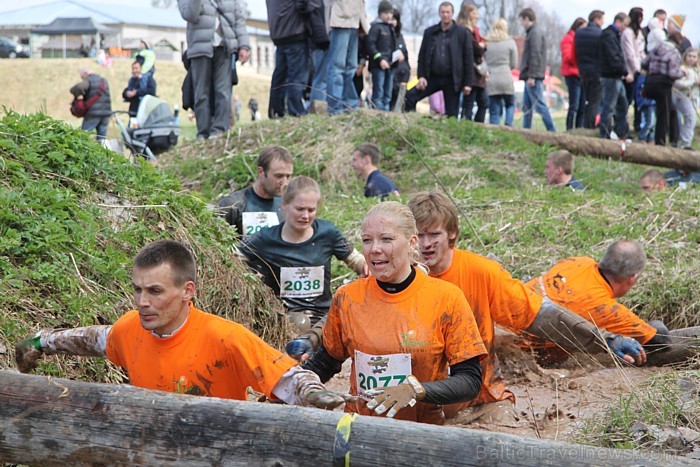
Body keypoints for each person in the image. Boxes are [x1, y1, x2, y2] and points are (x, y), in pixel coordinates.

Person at [14, 239, 351, 409]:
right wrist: (42, 343)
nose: (143, 301)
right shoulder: (130, 329)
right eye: (138, 290)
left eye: (155, 291)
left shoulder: (225, 337)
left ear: (187, 291)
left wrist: (316, 395)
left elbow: (290, 377)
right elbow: (93, 339)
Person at [405, 192, 646, 419]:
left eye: (434, 235)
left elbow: (541, 315)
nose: (426, 244)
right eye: (419, 236)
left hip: (475, 398)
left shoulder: (481, 273)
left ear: (451, 234)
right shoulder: (395, 276)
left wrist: (606, 339)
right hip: (411, 393)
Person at [304, 201, 488, 424]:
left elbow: (470, 381)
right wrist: (299, 388)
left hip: (421, 433)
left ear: (412, 243)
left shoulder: (447, 298)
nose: (374, 249)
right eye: (367, 240)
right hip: (360, 427)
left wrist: (415, 390)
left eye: (386, 239)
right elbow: (325, 362)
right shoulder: (347, 298)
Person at [523, 239, 699, 366]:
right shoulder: (605, 309)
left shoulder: (577, 262)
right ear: (632, 278)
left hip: (506, 317)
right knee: (643, 353)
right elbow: (658, 340)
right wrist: (655, 326)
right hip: (525, 354)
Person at [240, 176, 367, 332]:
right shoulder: (265, 237)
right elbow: (233, 258)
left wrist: (366, 269)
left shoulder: (328, 233)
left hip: (323, 319)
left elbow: (356, 260)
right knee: (300, 323)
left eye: (311, 210)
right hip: (282, 319)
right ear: (284, 205)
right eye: (300, 209)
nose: (306, 216)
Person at [178, 0, 250, 140]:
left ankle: (220, 130)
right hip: (200, 49)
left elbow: (238, 19)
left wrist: (244, 46)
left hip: (225, 48)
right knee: (201, 93)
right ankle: (203, 132)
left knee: (223, 91)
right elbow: (189, 15)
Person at [403, 2, 474, 118]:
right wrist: (421, 76)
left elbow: (468, 59)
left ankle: (449, 134)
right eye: (443, 12)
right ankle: (412, 122)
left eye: (448, 12)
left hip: (452, 80)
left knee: (452, 115)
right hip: (432, 77)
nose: (445, 15)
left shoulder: (462, 33)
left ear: (452, 14)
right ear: (439, 14)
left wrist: (467, 83)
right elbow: (422, 57)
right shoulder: (430, 33)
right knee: (409, 96)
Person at [216, 146, 294, 236]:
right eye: (278, 176)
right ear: (261, 172)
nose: (284, 182)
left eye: (288, 176)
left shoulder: (288, 206)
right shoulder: (233, 205)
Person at [266, 0, 320, 118]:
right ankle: (296, 111)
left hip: (278, 33)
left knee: (280, 75)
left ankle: (276, 110)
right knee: (296, 77)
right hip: (294, 31)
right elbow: (308, 4)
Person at [325, 0, 369, 115]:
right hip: (340, 18)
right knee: (337, 67)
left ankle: (349, 105)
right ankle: (335, 107)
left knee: (350, 68)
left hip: (355, 20)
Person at [642, 31, 685, 146]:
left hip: (650, 83)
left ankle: (673, 139)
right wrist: (683, 73)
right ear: (678, 42)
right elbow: (673, 73)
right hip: (663, 85)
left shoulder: (657, 47)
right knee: (663, 115)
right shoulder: (674, 52)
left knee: (672, 110)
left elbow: (644, 63)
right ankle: (660, 142)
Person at [518, 8, 555, 132]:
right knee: (526, 107)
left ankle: (552, 130)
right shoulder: (533, 32)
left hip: (532, 76)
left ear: (527, 19)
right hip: (530, 75)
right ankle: (526, 131)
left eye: (522, 20)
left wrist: (532, 76)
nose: (522, 24)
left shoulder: (534, 33)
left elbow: (535, 54)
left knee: (540, 105)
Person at [598, 12, 632, 140]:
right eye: (624, 25)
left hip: (616, 76)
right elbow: (613, 58)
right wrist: (625, 72)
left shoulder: (614, 35)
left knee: (623, 104)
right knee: (609, 106)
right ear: (617, 22)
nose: (625, 28)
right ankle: (605, 134)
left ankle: (621, 132)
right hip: (610, 76)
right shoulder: (608, 36)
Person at [458, 2, 488, 123]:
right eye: (474, 13)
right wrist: (482, 47)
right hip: (471, 73)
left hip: (477, 75)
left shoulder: (473, 31)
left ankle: (475, 127)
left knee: (483, 102)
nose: (477, 16)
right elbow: (477, 49)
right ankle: (468, 128)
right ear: (468, 14)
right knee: (469, 104)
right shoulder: (465, 31)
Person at [484, 18, 517, 126]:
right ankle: (508, 126)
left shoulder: (487, 43)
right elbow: (513, 63)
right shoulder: (510, 42)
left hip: (491, 78)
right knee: (510, 104)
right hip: (506, 78)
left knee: (494, 109)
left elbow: (483, 60)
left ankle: (494, 132)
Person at [575, 10, 605, 129]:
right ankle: (591, 125)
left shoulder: (579, 33)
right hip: (596, 71)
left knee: (587, 100)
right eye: (602, 19)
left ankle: (586, 124)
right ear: (596, 19)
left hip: (583, 71)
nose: (603, 22)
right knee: (595, 101)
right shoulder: (600, 34)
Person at [366, 1, 396, 111]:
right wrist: (380, 59)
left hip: (390, 65)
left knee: (387, 94)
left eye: (390, 13)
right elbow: (370, 46)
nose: (389, 16)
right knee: (378, 93)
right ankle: (378, 113)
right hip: (378, 66)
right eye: (386, 13)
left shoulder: (390, 28)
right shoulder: (375, 28)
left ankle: (386, 114)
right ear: (380, 14)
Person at [69, 67, 112, 141]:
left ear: (86, 74)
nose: (83, 79)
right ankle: (101, 151)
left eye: (82, 77)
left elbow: (78, 87)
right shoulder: (104, 81)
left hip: (93, 114)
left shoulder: (89, 80)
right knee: (102, 139)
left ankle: (82, 151)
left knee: (84, 136)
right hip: (106, 113)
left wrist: (77, 94)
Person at [621, 8, 644, 135]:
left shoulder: (638, 33)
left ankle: (637, 124)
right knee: (627, 100)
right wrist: (637, 69)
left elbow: (640, 52)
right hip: (630, 71)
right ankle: (624, 126)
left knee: (638, 99)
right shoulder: (628, 33)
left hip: (638, 69)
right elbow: (630, 53)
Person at [561, 17, 587, 130]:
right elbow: (567, 57)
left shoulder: (579, 39)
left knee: (582, 105)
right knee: (574, 105)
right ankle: (570, 128)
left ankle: (579, 128)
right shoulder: (568, 39)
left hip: (581, 74)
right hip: (572, 75)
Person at [672, 48, 699, 150]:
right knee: (690, 119)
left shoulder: (696, 70)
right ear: (685, 57)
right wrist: (693, 82)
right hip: (683, 96)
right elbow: (677, 83)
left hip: (693, 98)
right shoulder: (682, 69)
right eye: (690, 56)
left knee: (692, 120)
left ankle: (686, 142)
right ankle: (685, 143)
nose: (691, 59)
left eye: (694, 57)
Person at [389, 8, 410, 111]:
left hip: (402, 75)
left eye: (394, 19)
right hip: (390, 74)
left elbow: (406, 55)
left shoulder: (400, 36)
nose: (392, 22)